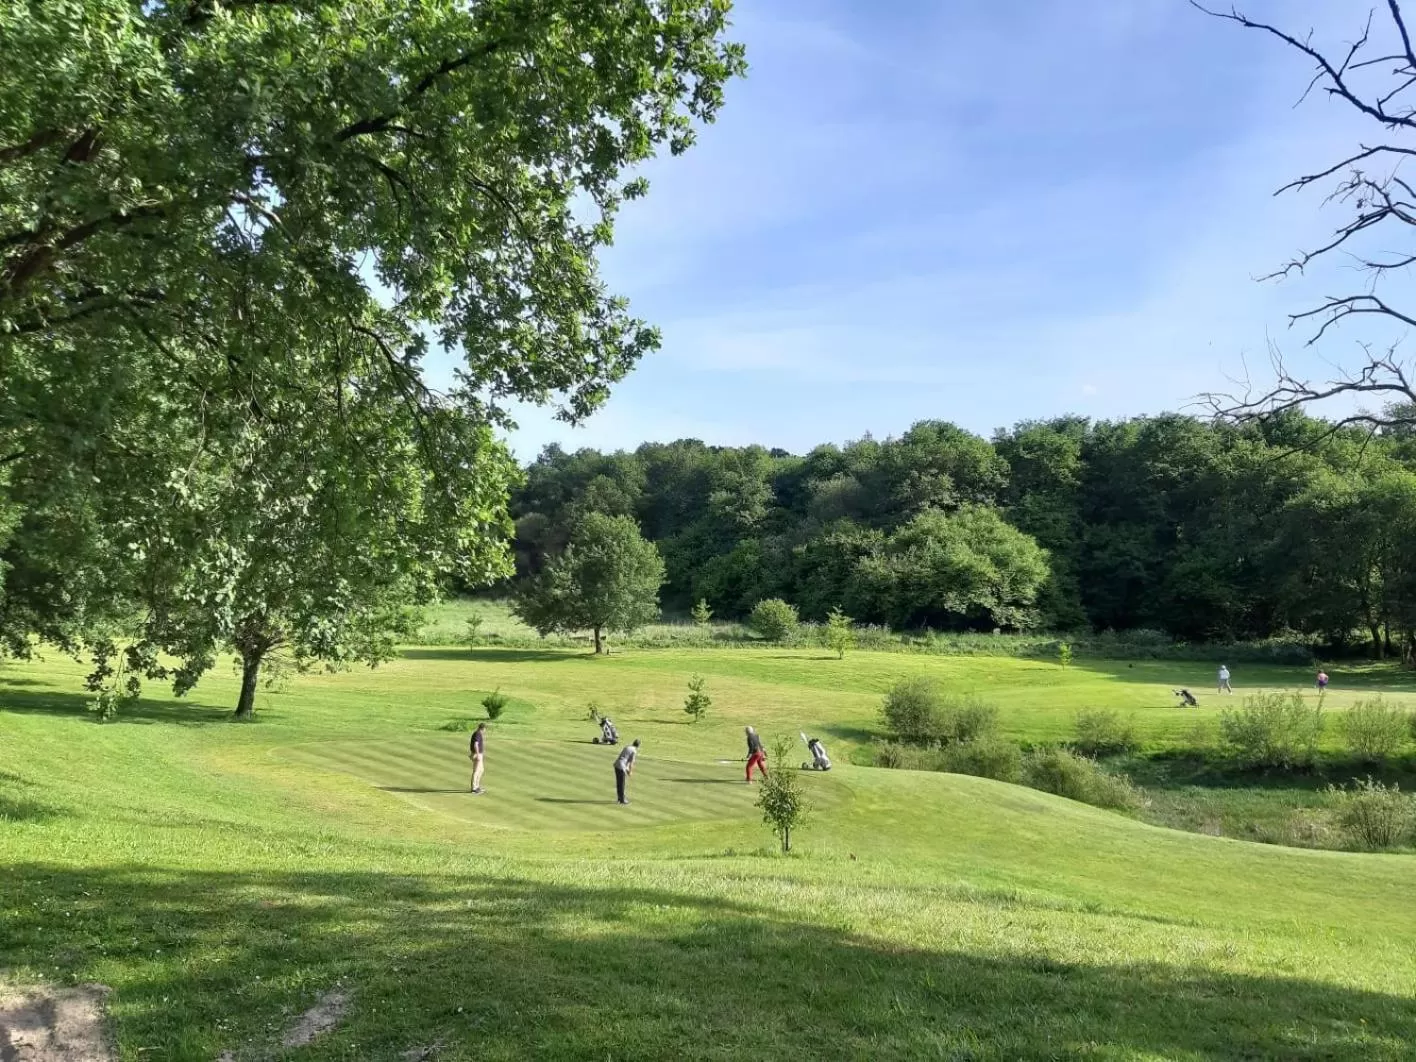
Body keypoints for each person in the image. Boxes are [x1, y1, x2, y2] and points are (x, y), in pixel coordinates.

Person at [614, 739, 640, 805]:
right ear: (638, 746)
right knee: (622, 783)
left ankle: (619, 798)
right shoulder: (634, 751)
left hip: (616, 764)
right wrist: (630, 772)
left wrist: (627, 769)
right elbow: (631, 763)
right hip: (621, 766)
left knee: (619, 783)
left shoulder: (627, 747)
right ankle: (622, 800)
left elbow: (625, 759)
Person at [469, 723, 486, 794]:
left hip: (478, 754)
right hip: (477, 754)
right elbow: (475, 744)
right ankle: (473, 788)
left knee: (481, 770)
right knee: (476, 771)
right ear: (483, 728)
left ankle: (477, 786)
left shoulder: (478, 733)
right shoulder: (477, 734)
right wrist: (478, 754)